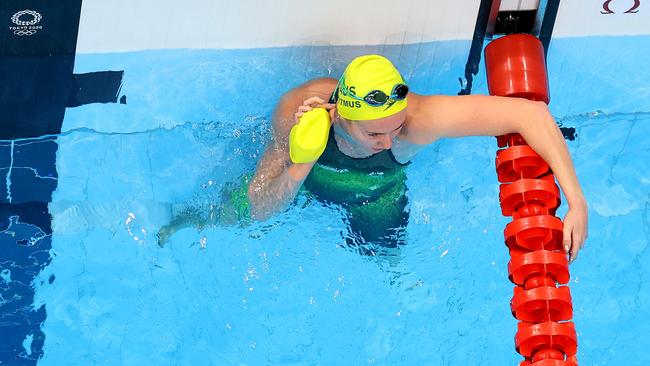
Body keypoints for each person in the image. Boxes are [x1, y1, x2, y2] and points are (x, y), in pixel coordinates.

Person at [246, 54, 588, 262]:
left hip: (376, 196)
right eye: (374, 134)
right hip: (304, 183)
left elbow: (531, 114)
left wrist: (576, 201)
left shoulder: (417, 120)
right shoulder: (296, 112)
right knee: (234, 216)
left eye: (394, 128)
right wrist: (301, 163)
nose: (388, 141)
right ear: (338, 116)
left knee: (386, 261)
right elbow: (260, 208)